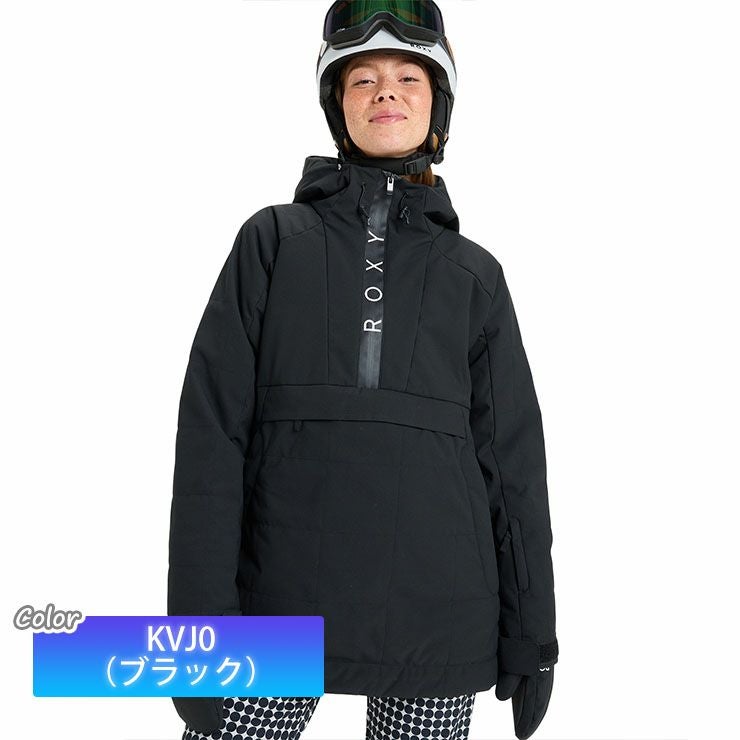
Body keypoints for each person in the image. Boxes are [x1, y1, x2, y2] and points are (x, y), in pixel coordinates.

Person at [166, 2, 558, 739]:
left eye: (409, 77)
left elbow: (512, 470)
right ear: (337, 106)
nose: (386, 92)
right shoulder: (272, 242)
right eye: (363, 79)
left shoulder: (475, 277)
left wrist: (532, 635)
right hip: (277, 604)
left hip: (440, 614)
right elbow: (211, 441)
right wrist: (196, 635)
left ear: (437, 105)